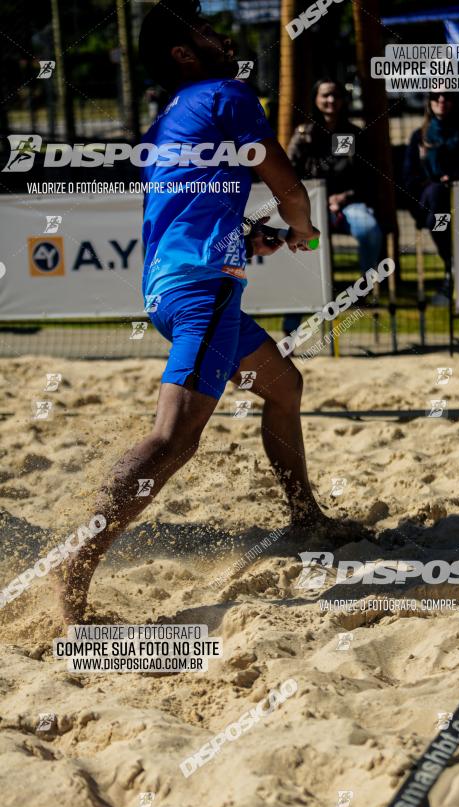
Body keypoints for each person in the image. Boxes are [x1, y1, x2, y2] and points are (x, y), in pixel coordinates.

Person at [53, 0, 348, 624]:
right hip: (202, 292)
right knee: (173, 439)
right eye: (206, 31)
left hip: (180, 287)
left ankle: (306, 517)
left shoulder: (170, 119)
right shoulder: (225, 93)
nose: (220, 35)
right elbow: (288, 184)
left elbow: (195, 209)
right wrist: (301, 227)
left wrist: (250, 235)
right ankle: (73, 570)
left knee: (285, 386)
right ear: (184, 54)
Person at [285, 79, 383, 333]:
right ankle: (295, 315)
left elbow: (365, 177)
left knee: (369, 229)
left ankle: (362, 289)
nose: (331, 101)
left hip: (348, 203)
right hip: (311, 206)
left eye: (336, 95)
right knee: (304, 247)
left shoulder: (351, 134)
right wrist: (316, 199)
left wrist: (343, 198)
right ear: (316, 100)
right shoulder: (304, 135)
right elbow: (289, 176)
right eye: (325, 95)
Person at [403, 92, 459, 300]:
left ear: (455, 101)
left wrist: (454, 178)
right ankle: (453, 266)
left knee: (437, 216)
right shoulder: (419, 136)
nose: (441, 100)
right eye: (435, 96)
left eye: (447, 96)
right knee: (436, 194)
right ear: (429, 102)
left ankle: (451, 269)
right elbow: (409, 177)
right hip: (427, 202)